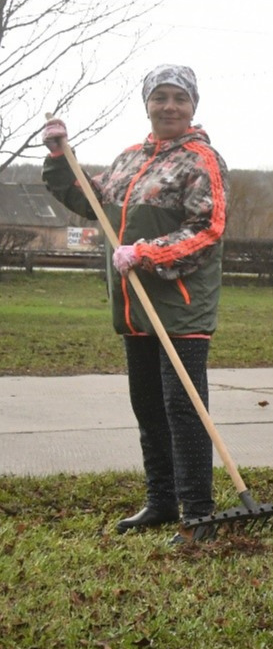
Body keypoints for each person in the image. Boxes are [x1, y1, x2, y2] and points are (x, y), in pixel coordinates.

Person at [41, 64, 228, 542]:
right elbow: (92, 199)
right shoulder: (129, 160)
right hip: (135, 306)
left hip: (181, 306)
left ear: (193, 107)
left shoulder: (201, 160)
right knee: (148, 405)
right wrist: (62, 158)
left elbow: (207, 229)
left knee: (183, 409)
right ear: (147, 103)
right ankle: (162, 502)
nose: (169, 106)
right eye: (160, 97)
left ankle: (199, 514)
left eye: (179, 99)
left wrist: (147, 252)